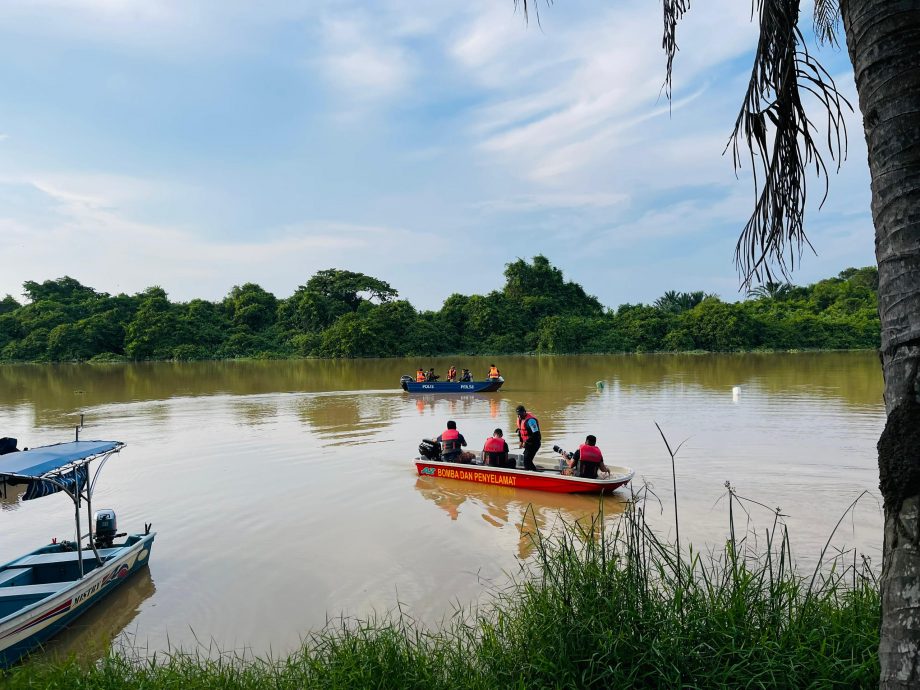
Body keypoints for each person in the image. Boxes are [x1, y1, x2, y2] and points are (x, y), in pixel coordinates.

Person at [516, 405, 542, 472]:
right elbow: (520, 431)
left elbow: (536, 434)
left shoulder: (531, 421)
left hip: (534, 443)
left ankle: (534, 474)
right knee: (527, 460)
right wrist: (521, 441)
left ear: (524, 412)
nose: (519, 416)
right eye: (518, 414)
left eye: (520, 414)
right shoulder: (519, 419)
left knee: (527, 461)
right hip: (528, 443)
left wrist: (526, 442)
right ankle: (532, 472)